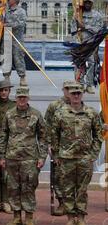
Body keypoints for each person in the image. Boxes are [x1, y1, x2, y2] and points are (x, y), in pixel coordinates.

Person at [51, 83, 103, 225]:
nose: (75, 96)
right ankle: (69, 219)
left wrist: (93, 155)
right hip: (66, 158)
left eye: (78, 93)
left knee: (82, 190)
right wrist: (56, 154)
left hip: (84, 158)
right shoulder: (60, 113)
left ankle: (80, 219)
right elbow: (54, 135)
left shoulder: (91, 113)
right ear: (69, 94)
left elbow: (98, 135)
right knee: (67, 190)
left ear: (82, 94)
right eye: (73, 93)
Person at [0, 87, 47, 225]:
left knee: (29, 187)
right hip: (12, 158)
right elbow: (3, 136)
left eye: (24, 97)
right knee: (13, 188)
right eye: (19, 97)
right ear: (16, 98)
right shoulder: (9, 114)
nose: (22, 100)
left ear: (28, 98)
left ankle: (29, 217)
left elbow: (43, 137)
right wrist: (2, 156)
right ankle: (16, 217)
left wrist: (42, 156)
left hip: (30, 158)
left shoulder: (36, 114)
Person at [44, 80, 73, 216]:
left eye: (72, 89)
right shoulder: (54, 106)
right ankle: (61, 202)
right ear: (63, 90)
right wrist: (48, 145)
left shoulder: (78, 105)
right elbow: (47, 126)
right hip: (58, 148)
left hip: (75, 148)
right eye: (67, 89)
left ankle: (72, 203)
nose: (69, 91)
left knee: (73, 176)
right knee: (58, 176)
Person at [0, 79, 15, 214]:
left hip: (10, 144)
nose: (4, 92)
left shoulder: (14, 106)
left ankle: (6, 201)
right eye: (1, 90)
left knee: (7, 174)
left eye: (6, 90)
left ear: (9, 91)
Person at [70, 0, 104, 93]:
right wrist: (77, 27)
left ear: (92, 4)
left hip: (91, 43)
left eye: (89, 3)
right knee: (78, 63)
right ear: (83, 4)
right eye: (86, 3)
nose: (87, 4)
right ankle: (80, 83)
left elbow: (99, 29)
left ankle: (89, 84)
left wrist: (85, 27)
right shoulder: (78, 15)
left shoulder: (97, 15)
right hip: (79, 43)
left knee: (92, 63)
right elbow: (72, 29)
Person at [3, 0, 27, 86]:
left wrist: (8, 25)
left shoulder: (21, 11)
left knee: (19, 58)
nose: (8, 1)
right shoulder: (5, 11)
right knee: (6, 59)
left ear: (15, 1)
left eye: (10, 0)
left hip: (17, 39)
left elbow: (22, 23)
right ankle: (6, 77)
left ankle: (22, 77)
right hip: (6, 39)